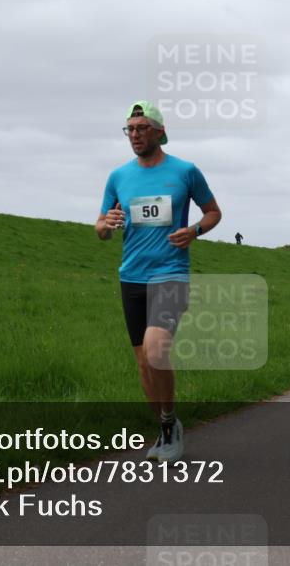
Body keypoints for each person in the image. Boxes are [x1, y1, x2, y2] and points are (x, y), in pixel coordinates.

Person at [96, 101, 221, 463]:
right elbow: (100, 228)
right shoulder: (118, 177)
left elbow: (213, 212)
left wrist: (194, 231)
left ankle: (168, 426)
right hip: (130, 275)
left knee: (155, 348)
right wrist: (109, 224)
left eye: (142, 128)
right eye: (130, 129)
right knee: (143, 363)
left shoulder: (185, 171)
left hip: (170, 272)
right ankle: (168, 426)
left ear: (159, 132)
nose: (135, 135)